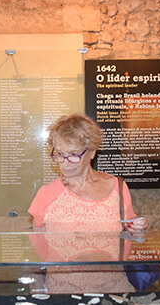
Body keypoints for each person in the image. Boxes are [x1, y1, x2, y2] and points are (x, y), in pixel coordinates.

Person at [28, 113, 148, 293]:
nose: (64, 163)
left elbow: (130, 235)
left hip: (113, 288)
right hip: (63, 291)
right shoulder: (46, 194)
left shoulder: (118, 187)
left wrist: (138, 228)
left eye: (73, 155)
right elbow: (38, 251)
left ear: (92, 152)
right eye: (59, 154)